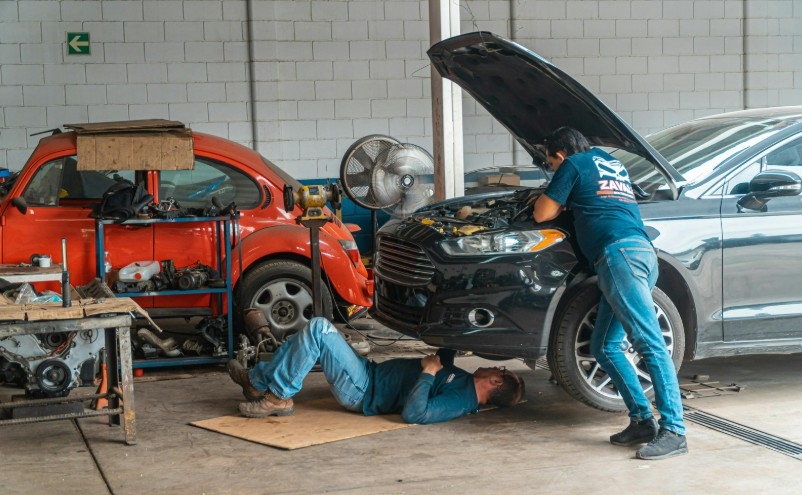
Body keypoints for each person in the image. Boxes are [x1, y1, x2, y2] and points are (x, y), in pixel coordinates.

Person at [533, 127, 687, 460]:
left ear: (560, 155)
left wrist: (558, 195)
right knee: (605, 346)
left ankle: (674, 430)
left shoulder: (572, 165)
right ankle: (643, 421)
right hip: (641, 252)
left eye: (551, 164)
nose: (554, 169)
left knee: (649, 343)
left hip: (620, 258)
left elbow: (542, 213)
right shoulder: (610, 163)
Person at [227, 317, 525, 424]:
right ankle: (257, 382)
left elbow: (415, 414)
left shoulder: (460, 401)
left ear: (495, 380)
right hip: (369, 373)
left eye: (497, 368)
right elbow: (443, 360)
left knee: (319, 329)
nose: (491, 365)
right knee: (303, 339)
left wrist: (428, 372)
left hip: (362, 391)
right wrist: (453, 335)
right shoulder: (461, 381)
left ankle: (279, 396)